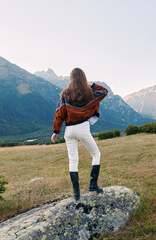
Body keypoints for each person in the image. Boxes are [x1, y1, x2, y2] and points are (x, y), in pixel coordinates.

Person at [51, 68, 108, 201]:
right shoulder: (88, 92)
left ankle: (76, 194)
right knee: (96, 154)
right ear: (83, 78)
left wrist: (55, 131)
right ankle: (93, 185)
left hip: (69, 131)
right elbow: (104, 91)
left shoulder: (65, 94)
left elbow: (59, 114)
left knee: (73, 160)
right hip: (82, 128)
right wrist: (90, 84)